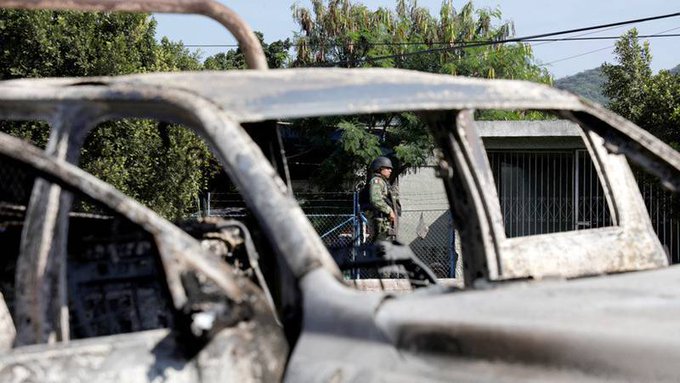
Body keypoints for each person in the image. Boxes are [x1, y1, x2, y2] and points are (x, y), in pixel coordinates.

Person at [365, 156, 399, 242]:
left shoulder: (383, 182)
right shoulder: (377, 181)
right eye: (387, 168)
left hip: (384, 221)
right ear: (380, 168)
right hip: (378, 221)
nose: (390, 170)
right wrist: (389, 210)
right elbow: (376, 199)